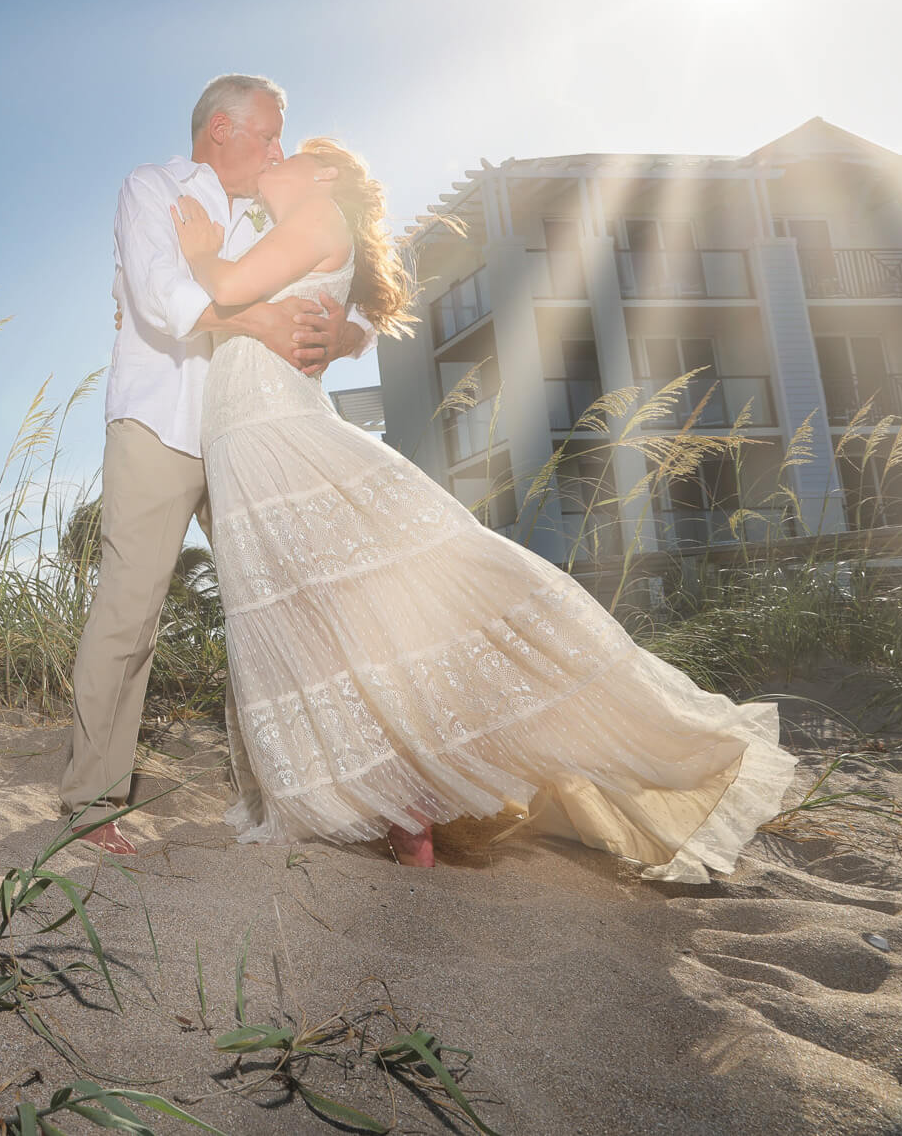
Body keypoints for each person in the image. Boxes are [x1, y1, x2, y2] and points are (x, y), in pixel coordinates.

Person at [173, 135, 796, 879]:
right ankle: (401, 807)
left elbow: (233, 287)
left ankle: (418, 804)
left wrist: (200, 251)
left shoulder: (313, 218)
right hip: (248, 440)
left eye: (290, 150)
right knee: (323, 626)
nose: (272, 157)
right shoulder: (284, 223)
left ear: (325, 173)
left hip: (281, 437)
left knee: (370, 606)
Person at [59, 74, 377, 856]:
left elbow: (354, 301)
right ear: (221, 131)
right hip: (162, 424)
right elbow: (160, 293)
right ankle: (92, 798)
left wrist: (337, 335)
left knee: (289, 608)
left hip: (249, 435)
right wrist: (262, 319)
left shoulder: (277, 207)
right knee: (131, 609)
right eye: (268, 134)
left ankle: (312, 795)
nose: (279, 149)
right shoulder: (153, 187)